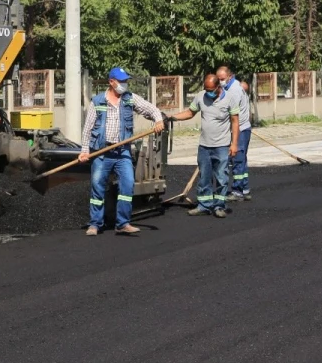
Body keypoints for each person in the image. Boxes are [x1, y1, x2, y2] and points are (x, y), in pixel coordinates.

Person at [78, 68, 165, 236]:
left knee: (127, 184)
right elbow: (87, 129)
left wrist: (158, 119)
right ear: (112, 82)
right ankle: (95, 224)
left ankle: (123, 223)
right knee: (97, 188)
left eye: (125, 81)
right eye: (121, 81)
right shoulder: (97, 102)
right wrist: (84, 151)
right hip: (102, 152)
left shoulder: (129, 99)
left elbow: (151, 109)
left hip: (122, 152)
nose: (124, 84)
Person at [170, 73, 239, 218]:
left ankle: (219, 205)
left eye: (211, 90)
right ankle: (204, 205)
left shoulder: (230, 99)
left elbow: (234, 121)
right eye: (206, 89)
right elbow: (190, 112)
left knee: (221, 177)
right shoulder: (201, 96)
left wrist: (234, 144)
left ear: (218, 87)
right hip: (204, 146)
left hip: (222, 146)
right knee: (204, 177)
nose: (208, 93)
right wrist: (172, 117)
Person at [217, 65, 252, 201]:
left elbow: (232, 113)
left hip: (241, 129)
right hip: (244, 128)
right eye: (219, 79)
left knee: (237, 160)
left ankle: (237, 191)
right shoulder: (233, 86)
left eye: (222, 79)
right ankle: (245, 188)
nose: (220, 81)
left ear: (229, 76)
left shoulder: (234, 90)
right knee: (242, 160)